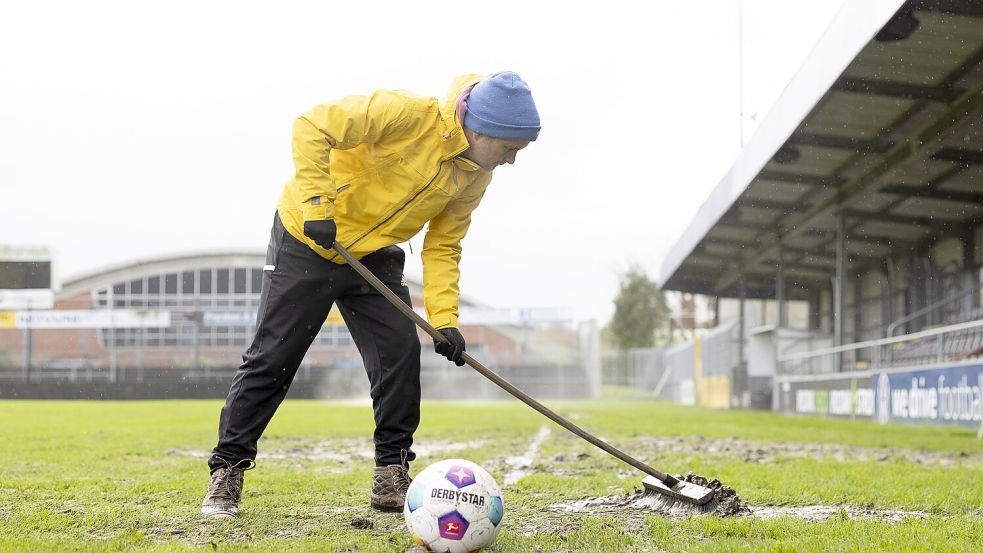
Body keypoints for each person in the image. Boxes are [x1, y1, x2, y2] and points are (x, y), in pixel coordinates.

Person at [200, 71, 540, 518]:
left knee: (400, 354)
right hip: (311, 239)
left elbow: (443, 245)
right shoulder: (405, 113)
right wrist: (319, 205)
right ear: (479, 128)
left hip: (375, 255)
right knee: (273, 357)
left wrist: (444, 320)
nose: (511, 161)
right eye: (509, 148)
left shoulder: (475, 174)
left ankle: (390, 474)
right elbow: (312, 125)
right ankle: (227, 471)